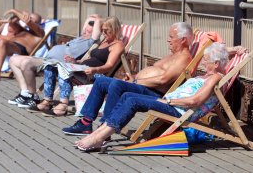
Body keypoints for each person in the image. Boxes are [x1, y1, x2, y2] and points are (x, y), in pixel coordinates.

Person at [75, 42, 229, 151]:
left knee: (133, 100)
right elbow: (221, 55)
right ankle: (100, 133)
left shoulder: (214, 78)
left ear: (216, 64)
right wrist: (234, 50)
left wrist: (169, 100)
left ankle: (99, 137)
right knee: (128, 94)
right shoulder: (207, 74)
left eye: (206, 60)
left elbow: (195, 100)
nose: (203, 62)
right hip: (171, 103)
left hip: (178, 110)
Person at [62, 22, 194, 135]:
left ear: (183, 39)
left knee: (116, 85)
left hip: (154, 92)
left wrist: (135, 81)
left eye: (171, 37)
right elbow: (155, 73)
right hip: (143, 85)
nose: (168, 40)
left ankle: (104, 128)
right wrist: (134, 76)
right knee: (101, 81)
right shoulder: (172, 55)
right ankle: (86, 122)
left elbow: (163, 80)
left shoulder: (184, 58)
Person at [28, 16, 125, 117]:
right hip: (82, 69)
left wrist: (94, 69)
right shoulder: (103, 41)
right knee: (50, 67)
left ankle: (63, 105)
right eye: (102, 30)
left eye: (106, 30)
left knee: (64, 70)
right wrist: (75, 61)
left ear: (115, 29)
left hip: (95, 74)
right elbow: (90, 59)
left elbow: (109, 66)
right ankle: (47, 101)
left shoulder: (117, 45)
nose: (103, 33)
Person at [7, 14, 102, 108]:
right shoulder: (80, 38)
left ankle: (33, 96)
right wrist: (90, 18)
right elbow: (85, 26)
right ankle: (25, 93)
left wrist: (97, 18)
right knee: (13, 59)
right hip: (47, 59)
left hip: (55, 63)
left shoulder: (91, 41)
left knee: (25, 63)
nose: (86, 27)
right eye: (88, 24)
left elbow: (97, 27)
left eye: (91, 24)